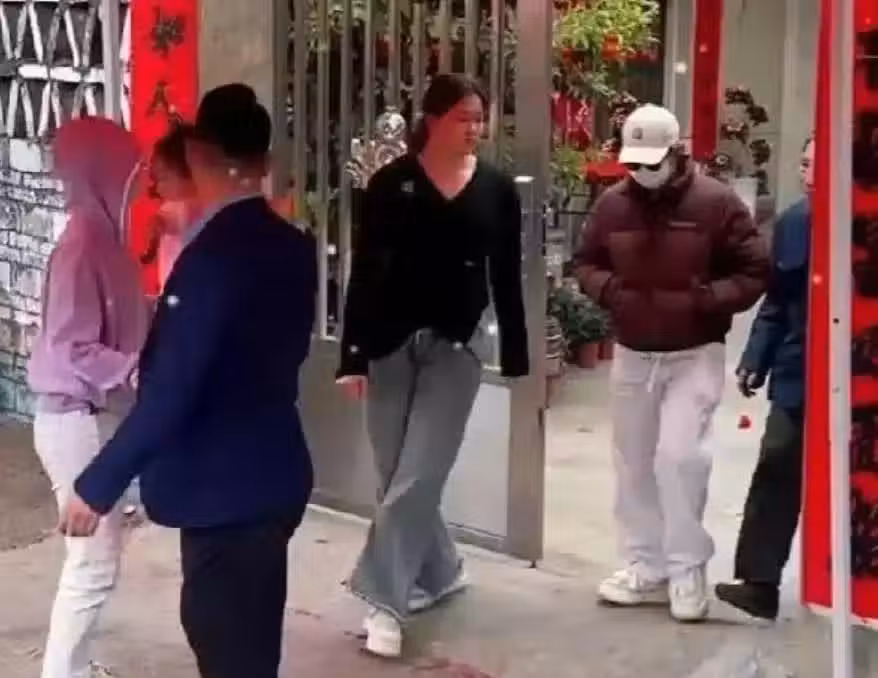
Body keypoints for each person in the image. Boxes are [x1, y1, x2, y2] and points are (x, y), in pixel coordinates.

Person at [58, 83, 318, 678]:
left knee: (226, 644)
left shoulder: (212, 261)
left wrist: (97, 485)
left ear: (199, 155)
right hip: (272, 470)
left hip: (226, 489)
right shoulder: (291, 245)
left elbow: (172, 389)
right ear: (263, 159)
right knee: (246, 639)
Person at [337, 72, 529, 657]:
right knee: (395, 473)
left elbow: (507, 274)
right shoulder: (389, 184)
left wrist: (516, 353)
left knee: (419, 473)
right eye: (463, 118)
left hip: (457, 347)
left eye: (480, 118)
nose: (475, 129)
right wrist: (352, 356)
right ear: (433, 119)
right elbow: (365, 270)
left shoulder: (496, 189)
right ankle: (442, 571)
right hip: (388, 343)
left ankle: (384, 601)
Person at [575, 103, 770, 622]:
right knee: (634, 462)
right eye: (634, 163)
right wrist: (612, 292)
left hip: (694, 351)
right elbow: (586, 262)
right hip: (634, 352)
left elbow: (754, 269)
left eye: (651, 162)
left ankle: (687, 568)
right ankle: (646, 565)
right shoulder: (613, 206)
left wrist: (707, 300)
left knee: (681, 459)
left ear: (676, 153)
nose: (642, 172)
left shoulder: (717, 203)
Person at [27, 116, 151, 678]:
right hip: (74, 419)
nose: (138, 179)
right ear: (102, 170)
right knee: (93, 563)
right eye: (129, 168)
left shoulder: (104, 240)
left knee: (92, 559)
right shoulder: (82, 246)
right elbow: (72, 345)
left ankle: (71, 665)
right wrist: (136, 370)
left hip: (92, 417)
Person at [714, 135, 815, 621]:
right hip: (799, 372)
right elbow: (776, 301)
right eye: (804, 163)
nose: (807, 174)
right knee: (776, 469)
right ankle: (759, 583)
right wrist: (756, 357)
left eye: (817, 164)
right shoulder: (794, 223)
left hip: (860, 376)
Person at [140, 124, 200, 290]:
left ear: (189, 174)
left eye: (163, 179)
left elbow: (164, 221)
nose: (157, 187)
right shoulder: (177, 206)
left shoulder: (180, 206)